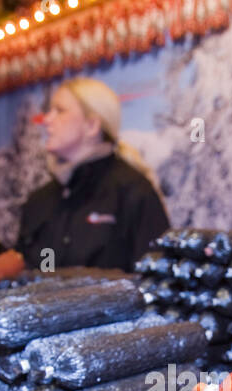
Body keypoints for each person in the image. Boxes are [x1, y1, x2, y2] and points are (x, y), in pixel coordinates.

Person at [14, 78, 171, 274]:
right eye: (49, 111)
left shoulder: (133, 192)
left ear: (92, 125)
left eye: (60, 111)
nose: (46, 120)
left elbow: (157, 278)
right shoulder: (39, 201)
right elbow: (24, 278)